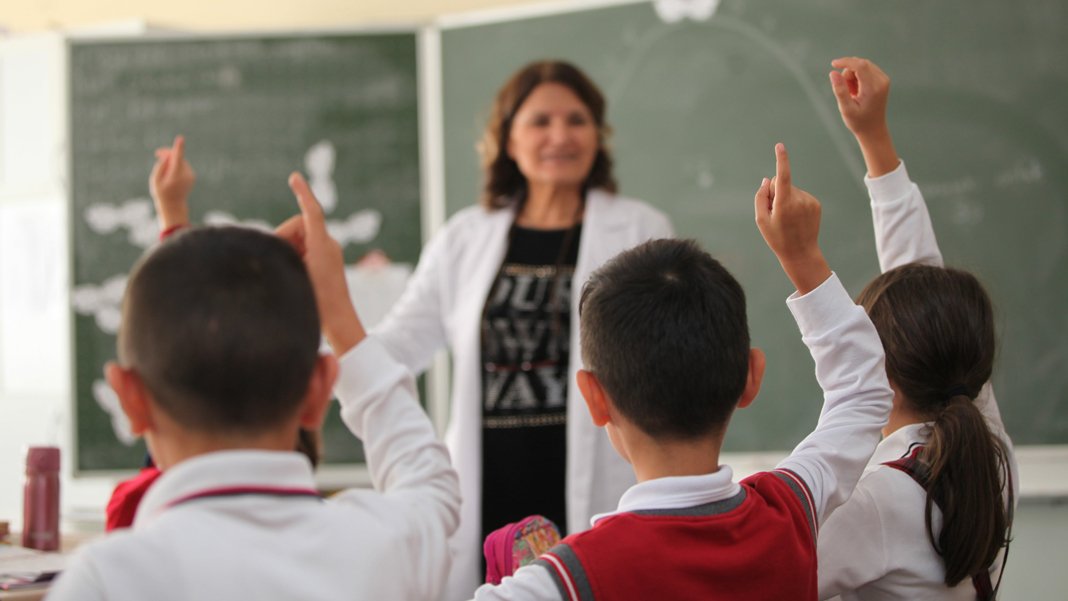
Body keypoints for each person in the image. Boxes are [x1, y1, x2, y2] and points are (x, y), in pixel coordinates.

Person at [467, 143, 893, 600]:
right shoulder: (790, 508)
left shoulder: (562, 581)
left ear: (593, 397)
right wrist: (802, 257)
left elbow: (862, 393)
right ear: (751, 377)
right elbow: (863, 392)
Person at [48, 173, 460, 600]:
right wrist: (339, 317)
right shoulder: (384, 550)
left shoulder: (106, 581)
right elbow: (432, 486)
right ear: (320, 389)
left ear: (129, 399)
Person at [368, 60, 673, 596]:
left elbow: (670, 361)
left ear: (597, 135)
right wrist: (317, 331)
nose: (560, 136)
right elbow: (399, 345)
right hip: (491, 486)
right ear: (508, 139)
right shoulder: (465, 237)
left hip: (598, 477)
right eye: (540, 121)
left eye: (576, 120)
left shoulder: (640, 229)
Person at [816, 57, 1018, 600]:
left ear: (881, 373)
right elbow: (925, 284)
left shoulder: (881, 502)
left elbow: (764, 578)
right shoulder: (989, 452)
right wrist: (874, 138)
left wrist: (803, 262)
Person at [103, 137, 325, 532]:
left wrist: (172, 213)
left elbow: (178, 329)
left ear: (134, 400)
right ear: (315, 390)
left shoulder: (136, 516)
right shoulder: (360, 543)